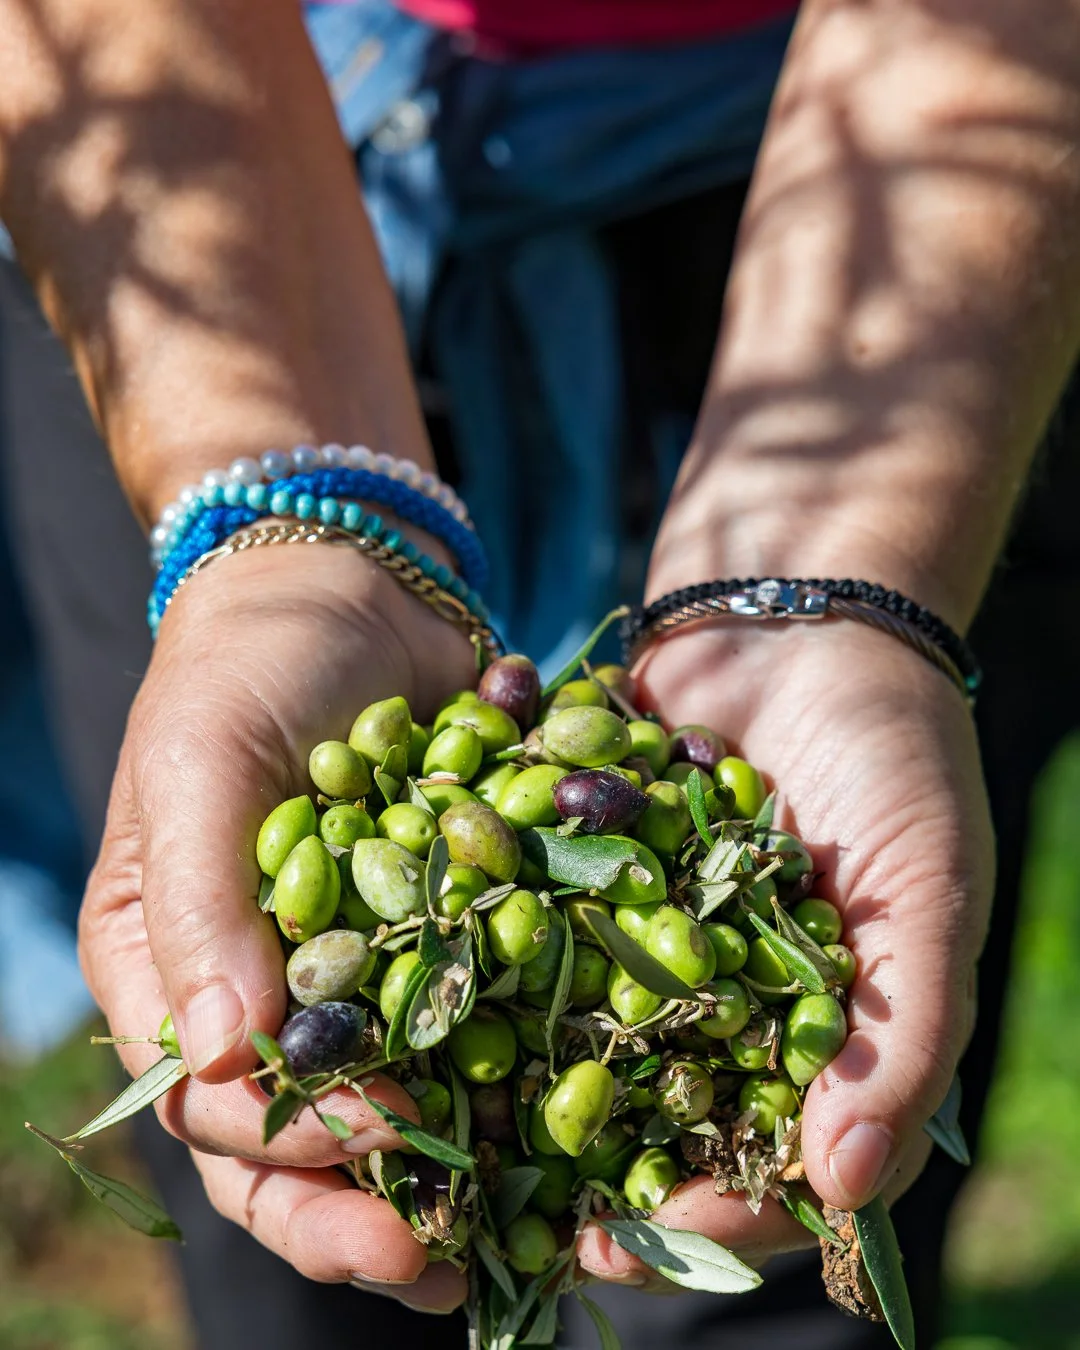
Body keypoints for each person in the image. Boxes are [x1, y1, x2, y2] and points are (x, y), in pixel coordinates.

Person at [0, 1, 1078, 1346]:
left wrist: (839, 568)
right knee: (304, 1208)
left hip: (902, 217)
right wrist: (278, 537)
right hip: (189, 191)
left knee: (801, 1236)